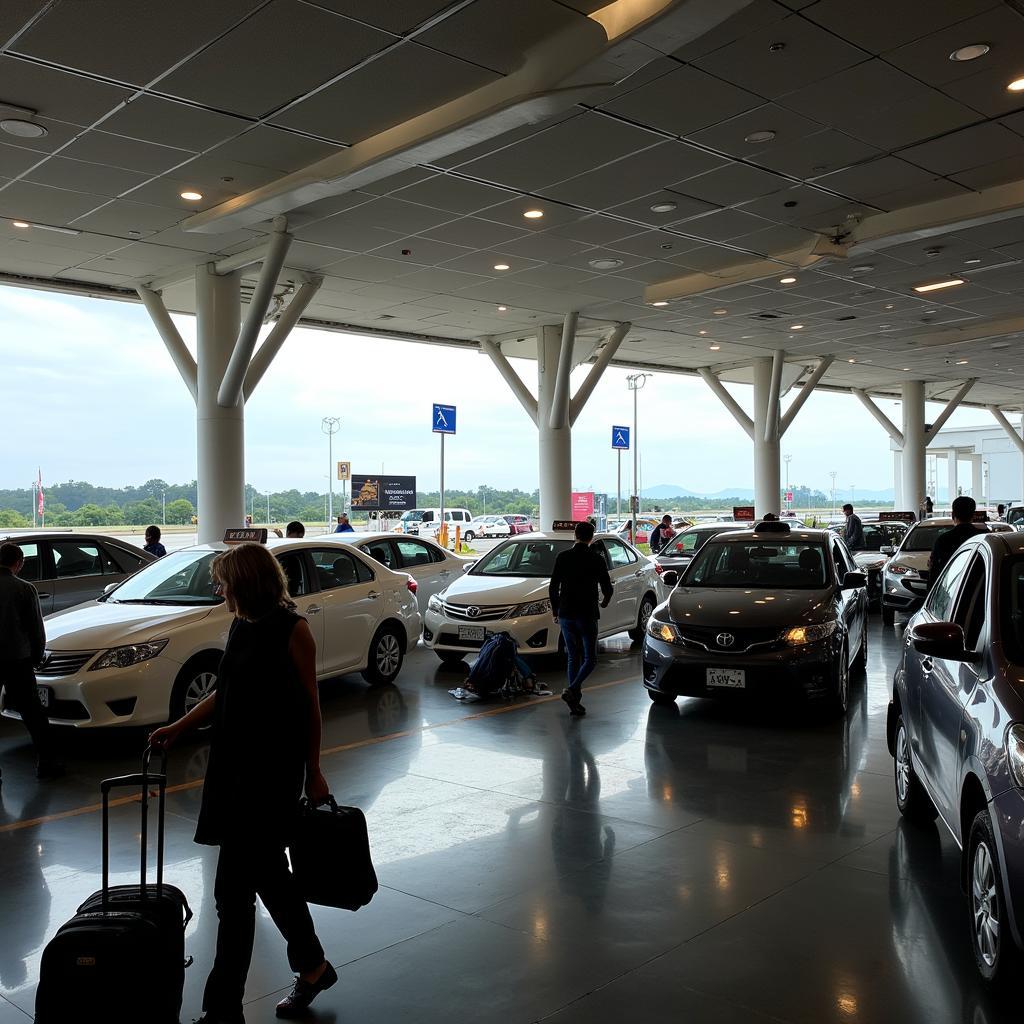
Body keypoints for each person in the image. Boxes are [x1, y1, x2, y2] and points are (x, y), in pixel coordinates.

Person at [149, 544, 335, 1024]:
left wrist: (314, 770)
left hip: (270, 774)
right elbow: (224, 690)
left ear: (246, 583)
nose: (219, 589)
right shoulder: (240, 624)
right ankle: (312, 966)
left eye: (223, 581)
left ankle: (223, 1008)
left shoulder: (294, 631)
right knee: (269, 878)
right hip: (232, 769)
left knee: (233, 893)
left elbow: (311, 707)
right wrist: (180, 726)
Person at [0, 543, 62, 780]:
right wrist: (37, 657)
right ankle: (47, 764)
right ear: (19, 562)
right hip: (17, 659)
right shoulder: (24, 589)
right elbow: (35, 628)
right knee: (32, 713)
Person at [548, 521, 613, 718]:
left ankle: (574, 700)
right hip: (587, 614)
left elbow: (553, 587)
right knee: (590, 658)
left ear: (574, 535)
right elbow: (608, 587)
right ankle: (572, 689)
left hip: (566, 614)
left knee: (572, 656)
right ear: (591, 537)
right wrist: (604, 602)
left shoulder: (563, 557)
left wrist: (555, 611)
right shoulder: (596, 559)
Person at [929, 495, 982, 585]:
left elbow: (934, 573)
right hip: (978, 590)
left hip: (952, 589)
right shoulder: (982, 538)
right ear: (974, 515)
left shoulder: (943, 540)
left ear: (953, 515)